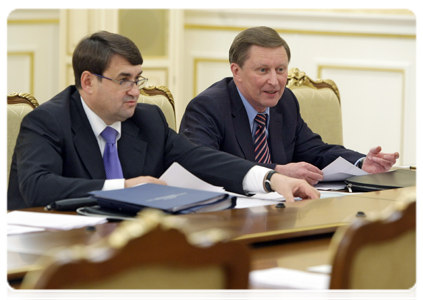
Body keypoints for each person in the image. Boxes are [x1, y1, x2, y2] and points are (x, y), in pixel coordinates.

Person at [6, 31, 320, 210]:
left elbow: (202, 159)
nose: (134, 92)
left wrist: (269, 179)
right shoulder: (47, 121)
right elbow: (37, 187)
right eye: (124, 80)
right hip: (45, 251)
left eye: (138, 79)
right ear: (88, 82)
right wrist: (124, 187)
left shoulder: (148, 119)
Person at [179, 26, 399, 185]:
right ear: (236, 71)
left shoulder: (285, 102)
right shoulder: (207, 107)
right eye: (263, 70)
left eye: (281, 69)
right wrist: (275, 172)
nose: (275, 81)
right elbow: (202, 166)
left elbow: (315, 150)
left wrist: (361, 163)